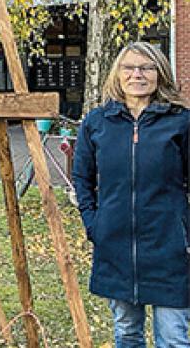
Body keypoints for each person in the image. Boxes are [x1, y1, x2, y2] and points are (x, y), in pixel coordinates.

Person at [72, 42, 190, 348]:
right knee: (126, 333)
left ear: (160, 74)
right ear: (118, 74)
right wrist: (93, 224)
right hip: (116, 247)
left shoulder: (181, 122)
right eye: (129, 67)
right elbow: (82, 178)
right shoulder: (97, 123)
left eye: (146, 68)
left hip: (169, 248)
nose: (137, 74)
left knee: (174, 338)